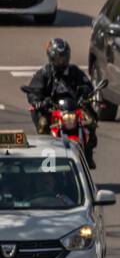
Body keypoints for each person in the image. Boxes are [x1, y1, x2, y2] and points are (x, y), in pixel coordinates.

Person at [23, 39, 98, 169]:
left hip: (73, 108)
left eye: (64, 57)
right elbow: (34, 91)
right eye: (59, 58)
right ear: (52, 57)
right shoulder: (45, 73)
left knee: (91, 121)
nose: (62, 61)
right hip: (52, 110)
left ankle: (88, 154)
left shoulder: (74, 71)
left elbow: (87, 85)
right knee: (43, 124)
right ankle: (46, 158)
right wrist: (39, 101)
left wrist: (86, 94)